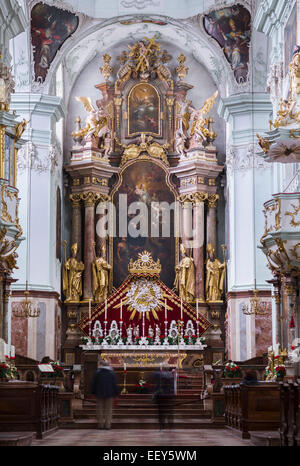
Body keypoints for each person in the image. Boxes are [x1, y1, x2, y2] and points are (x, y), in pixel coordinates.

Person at [91, 360, 119, 430]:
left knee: (99, 409)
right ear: (108, 365)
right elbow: (114, 384)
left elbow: (94, 384)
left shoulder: (97, 373)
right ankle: (107, 425)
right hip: (110, 394)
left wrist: (93, 392)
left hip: (99, 393)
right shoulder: (112, 373)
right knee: (108, 410)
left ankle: (100, 424)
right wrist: (116, 394)